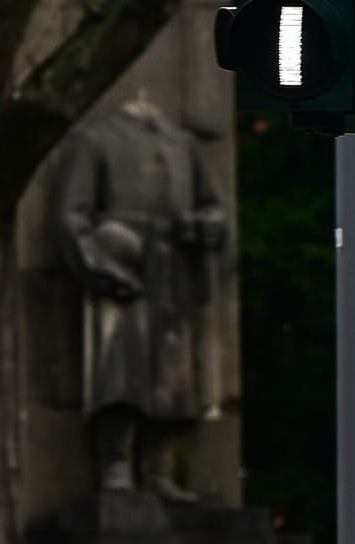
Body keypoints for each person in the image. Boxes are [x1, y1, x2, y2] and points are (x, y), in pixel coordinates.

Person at [54, 97, 227, 500]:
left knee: (175, 377)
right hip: (125, 263)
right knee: (120, 372)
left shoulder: (183, 144)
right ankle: (116, 462)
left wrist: (206, 228)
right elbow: (72, 215)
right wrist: (98, 263)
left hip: (176, 267)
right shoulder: (94, 139)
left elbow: (214, 208)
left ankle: (159, 469)